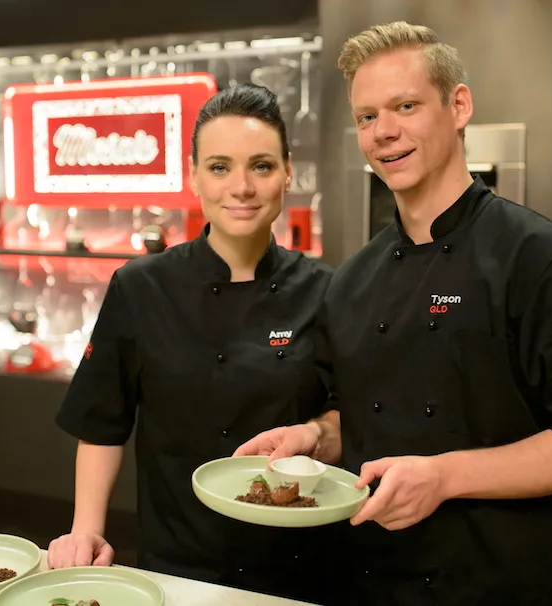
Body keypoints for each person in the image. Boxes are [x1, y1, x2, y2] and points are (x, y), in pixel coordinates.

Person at [235, 21, 552, 605]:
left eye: (405, 106)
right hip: (373, 579)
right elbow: (362, 415)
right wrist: (314, 438)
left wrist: (444, 476)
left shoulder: (545, 259)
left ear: (458, 105)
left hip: (504, 584)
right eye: (367, 117)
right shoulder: (351, 281)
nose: (385, 132)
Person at [49, 83, 333, 603]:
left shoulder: (328, 291)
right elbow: (102, 423)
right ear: (193, 175)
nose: (241, 187)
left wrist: (315, 430)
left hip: (297, 566)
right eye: (220, 167)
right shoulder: (140, 286)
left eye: (262, 166)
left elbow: (351, 416)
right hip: (175, 566)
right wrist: (85, 528)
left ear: (288, 171)